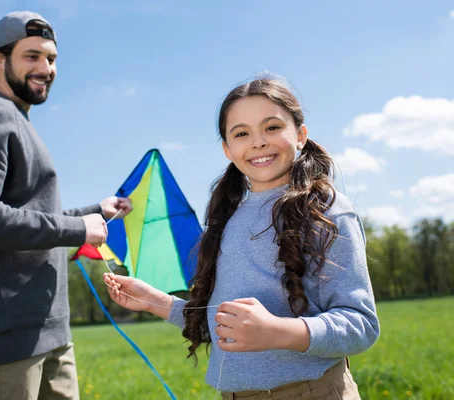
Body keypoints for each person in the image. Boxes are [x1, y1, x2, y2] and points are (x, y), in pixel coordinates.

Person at [104, 75, 379, 399]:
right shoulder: (227, 218)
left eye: (272, 127)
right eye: (242, 133)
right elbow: (223, 323)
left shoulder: (328, 211)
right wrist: (156, 302)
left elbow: (361, 325)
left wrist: (278, 332)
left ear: (301, 135)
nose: (258, 142)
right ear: (227, 149)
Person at [0, 11, 132, 400]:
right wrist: (78, 230)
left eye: (52, 58)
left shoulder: (18, 119)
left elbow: (31, 213)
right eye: (32, 56)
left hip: (51, 330)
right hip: (9, 341)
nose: (46, 68)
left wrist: (94, 212)